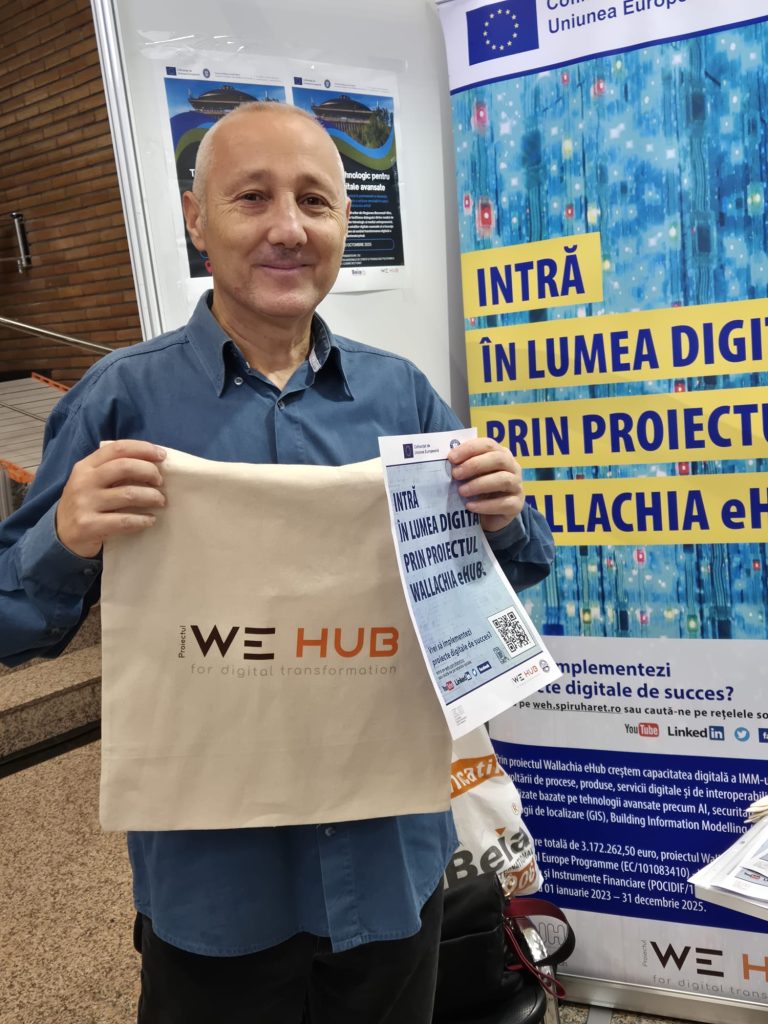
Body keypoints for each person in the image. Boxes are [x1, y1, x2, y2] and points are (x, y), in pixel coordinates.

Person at [0, 103, 554, 1023]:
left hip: (389, 863)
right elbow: (12, 626)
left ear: (345, 223)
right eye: (252, 197)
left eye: (315, 201)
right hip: (216, 884)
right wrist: (64, 536)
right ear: (196, 219)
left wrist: (502, 517)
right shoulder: (120, 401)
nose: (288, 228)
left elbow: (505, 579)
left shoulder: (401, 396)